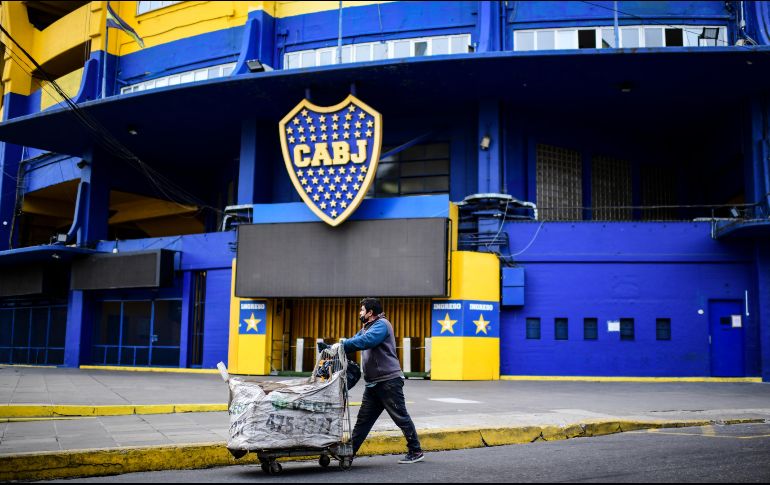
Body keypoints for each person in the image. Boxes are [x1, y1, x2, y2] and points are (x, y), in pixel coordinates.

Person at [331, 297, 424, 464]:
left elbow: (366, 341)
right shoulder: (367, 327)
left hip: (388, 381)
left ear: (370, 312)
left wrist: (343, 345)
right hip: (374, 383)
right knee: (363, 420)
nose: (360, 313)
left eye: (361, 310)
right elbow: (355, 339)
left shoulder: (381, 325)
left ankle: (415, 450)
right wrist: (337, 346)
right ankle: (349, 453)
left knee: (400, 416)